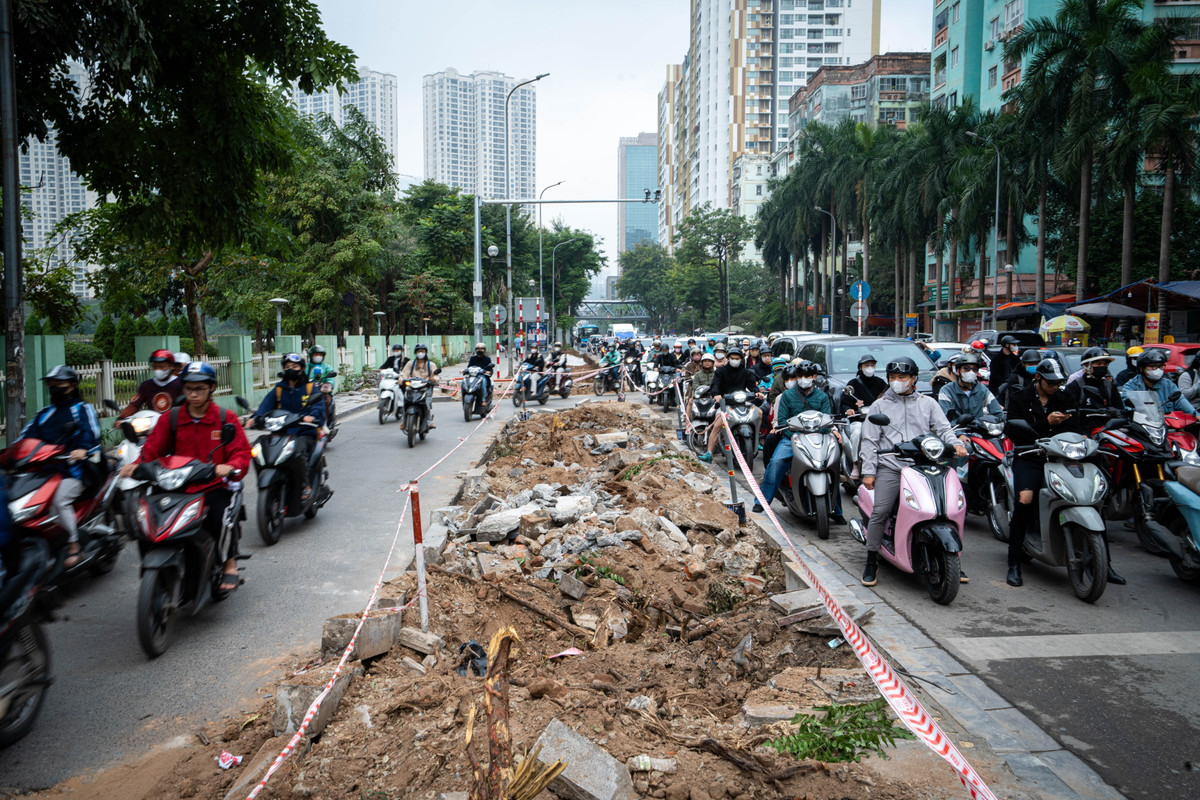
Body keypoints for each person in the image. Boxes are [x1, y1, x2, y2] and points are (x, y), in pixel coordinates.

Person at [122, 362, 251, 592]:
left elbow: (240, 453)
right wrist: (135, 466)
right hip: (175, 485)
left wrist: (230, 466)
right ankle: (157, 568)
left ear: (211, 388)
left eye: (200, 388)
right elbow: (152, 449)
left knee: (219, 518)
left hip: (211, 485)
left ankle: (228, 563)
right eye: (189, 388)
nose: (193, 393)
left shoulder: (225, 418)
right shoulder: (171, 418)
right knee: (146, 520)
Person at [858, 357, 967, 587]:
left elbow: (943, 428)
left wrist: (956, 444)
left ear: (913, 379)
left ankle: (953, 558)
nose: (897, 382)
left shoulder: (928, 404)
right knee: (881, 510)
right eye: (893, 378)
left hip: (926, 465)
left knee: (946, 507)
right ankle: (871, 560)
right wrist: (869, 471)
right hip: (893, 466)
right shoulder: (880, 406)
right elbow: (869, 440)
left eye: (902, 377)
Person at [1004, 359, 1099, 586]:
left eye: (1059, 383)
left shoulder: (1065, 398)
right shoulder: (1020, 398)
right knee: (1025, 500)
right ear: (1038, 378)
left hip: (1062, 458)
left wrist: (1083, 436)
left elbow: (1074, 427)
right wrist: (1046, 422)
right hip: (1030, 457)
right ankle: (1014, 563)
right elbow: (1016, 433)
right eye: (1051, 383)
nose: (1055, 387)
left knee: (1092, 495)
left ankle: (1104, 563)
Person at [19, 366, 103, 568]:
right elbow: (25, 438)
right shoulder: (44, 414)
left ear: (72, 385)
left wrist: (83, 449)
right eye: (50, 384)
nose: (53, 387)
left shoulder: (83, 409)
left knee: (59, 500)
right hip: (44, 472)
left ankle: (74, 545)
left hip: (74, 470)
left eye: (58, 384)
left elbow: (92, 435)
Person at [755, 361, 845, 523]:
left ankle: (837, 511)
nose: (804, 379)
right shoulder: (787, 396)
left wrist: (826, 431)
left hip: (819, 437)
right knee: (776, 462)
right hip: (793, 438)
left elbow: (827, 420)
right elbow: (782, 421)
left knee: (833, 465)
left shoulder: (822, 396)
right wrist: (793, 433)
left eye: (807, 376)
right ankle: (762, 501)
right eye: (800, 376)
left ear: (814, 377)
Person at [253, 353, 325, 497]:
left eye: (294, 366)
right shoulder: (279, 389)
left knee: (297, 448)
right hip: (282, 432)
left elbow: (319, 408)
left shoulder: (310, 388)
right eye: (287, 367)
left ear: (302, 368)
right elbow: (265, 407)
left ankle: (305, 486)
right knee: (258, 448)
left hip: (304, 432)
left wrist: (312, 417)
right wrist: (255, 418)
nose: (290, 369)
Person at [698, 347, 762, 463]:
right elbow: (715, 385)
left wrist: (757, 392)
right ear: (728, 359)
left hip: (742, 402)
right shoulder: (720, 371)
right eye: (732, 358)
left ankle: (756, 439)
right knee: (717, 425)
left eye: (737, 358)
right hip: (725, 404)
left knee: (760, 413)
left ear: (741, 359)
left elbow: (752, 385)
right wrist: (716, 395)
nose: (735, 360)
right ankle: (709, 453)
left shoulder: (746, 372)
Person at [1120, 349, 1196, 415]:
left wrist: (1195, 414)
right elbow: (1127, 405)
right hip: (1143, 427)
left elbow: (1181, 401)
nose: (1157, 369)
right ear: (1141, 368)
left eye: (1160, 366)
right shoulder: (1131, 386)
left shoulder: (1168, 385)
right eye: (1152, 366)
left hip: (1167, 427)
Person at [938, 352, 1004, 426]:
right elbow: (945, 419)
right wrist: (959, 434)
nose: (971, 372)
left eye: (974, 369)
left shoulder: (982, 390)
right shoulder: (946, 391)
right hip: (956, 431)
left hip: (979, 431)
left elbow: (997, 412)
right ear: (958, 371)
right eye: (966, 368)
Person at [117, 349, 182, 418]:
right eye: (155, 366)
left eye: (161, 367)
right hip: (153, 424)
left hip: (175, 423)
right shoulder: (146, 386)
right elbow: (134, 405)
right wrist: (121, 418)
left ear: (171, 366)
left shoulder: (180, 384)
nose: (158, 370)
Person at [1064, 348, 1122, 416]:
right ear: (1086, 365)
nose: (1102, 366)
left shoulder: (1109, 386)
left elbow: (1119, 410)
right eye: (1098, 364)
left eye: (1105, 364)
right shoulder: (1076, 386)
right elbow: (1068, 413)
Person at [400, 343, 441, 426]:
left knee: (427, 403)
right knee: (405, 403)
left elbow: (436, 375)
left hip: (425, 388)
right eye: (419, 351)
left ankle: (429, 421)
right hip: (412, 387)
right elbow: (404, 374)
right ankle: (404, 422)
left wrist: (433, 379)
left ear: (425, 352)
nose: (420, 353)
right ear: (416, 353)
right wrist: (401, 380)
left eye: (422, 351)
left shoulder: (431, 364)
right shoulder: (410, 363)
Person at [839, 355, 887, 419]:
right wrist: (848, 409)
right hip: (859, 420)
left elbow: (889, 398)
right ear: (860, 367)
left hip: (878, 419)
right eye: (866, 365)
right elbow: (845, 403)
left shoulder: (880, 382)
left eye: (872, 365)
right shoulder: (853, 383)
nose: (870, 368)